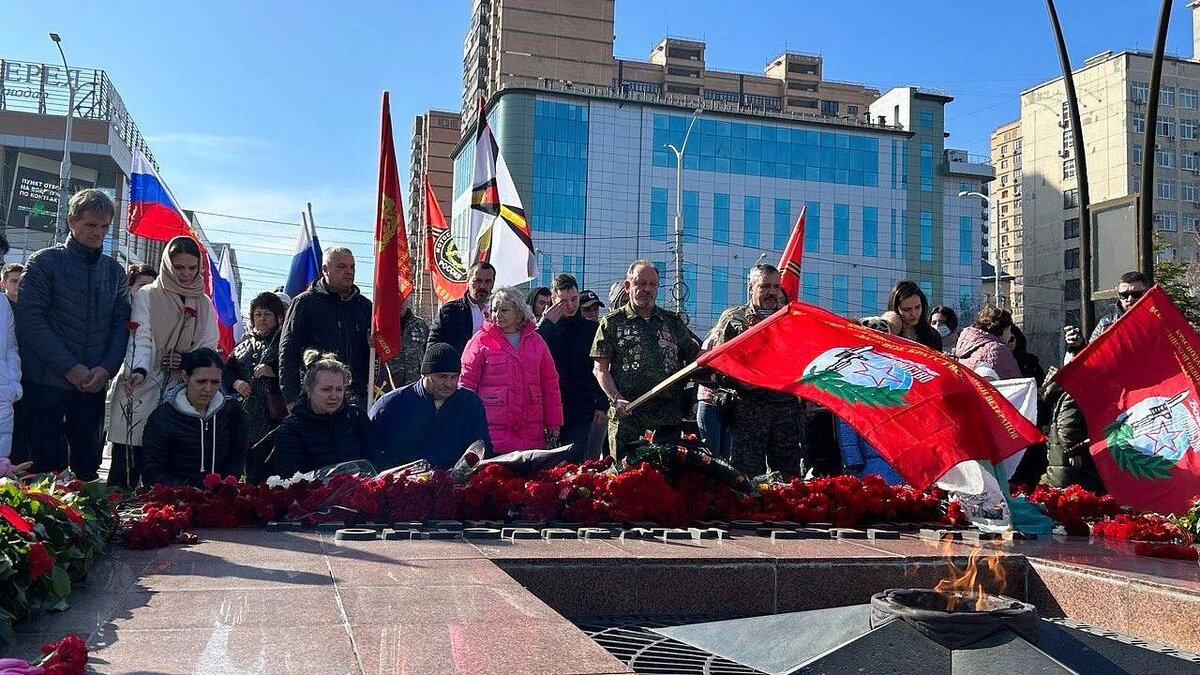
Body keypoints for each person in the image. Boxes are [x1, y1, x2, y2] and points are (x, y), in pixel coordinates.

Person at [17, 189, 130, 479]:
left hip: (93, 385)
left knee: (88, 468)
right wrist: (70, 367)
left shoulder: (115, 272)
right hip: (46, 383)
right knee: (45, 469)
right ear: (71, 221)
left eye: (104, 226)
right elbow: (31, 322)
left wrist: (106, 370)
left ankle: (90, 525)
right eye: (91, 225)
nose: (99, 233)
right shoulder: (43, 263)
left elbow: (121, 325)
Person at [106, 236, 219, 489]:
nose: (186, 274)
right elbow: (140, 338)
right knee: (127, 462)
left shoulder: (204, 302)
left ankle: (163, 518)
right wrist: (139, 370)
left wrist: (186, 361)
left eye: (192, 268)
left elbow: (209, 345)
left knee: (167, 467)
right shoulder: (147, 295)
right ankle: (117, 516)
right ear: (167, 264)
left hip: (182, 388)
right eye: (179, 267)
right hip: (143, 384)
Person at [592, 261, 700, 457]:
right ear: (628, 286)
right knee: (627, 480)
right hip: (629, 416)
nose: (647, 290)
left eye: (652, 285)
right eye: (640, 284)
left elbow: (696, 358)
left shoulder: (672, 322)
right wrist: (616, 398)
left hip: (666, 419)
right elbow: (600, 369)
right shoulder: (612, 323)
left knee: (665, 481)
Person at [709, 264, 801, 477]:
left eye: (776, 287)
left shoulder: (790, 319)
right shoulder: (735, 319)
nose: (771, 292)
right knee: (748, 477)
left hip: (785, 409)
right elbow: (718, 365)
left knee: (788, 477)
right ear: (751, 287)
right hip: (749, 410)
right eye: (765, 286)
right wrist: (739, 381)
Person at [460, 286, 563, 453]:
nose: (497, 314)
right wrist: (463, 423)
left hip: (531, 434)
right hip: (491, 433)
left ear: (518, 312)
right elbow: (466, 384)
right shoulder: (480, 341)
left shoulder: (537, 342)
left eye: (504, 310)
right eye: (494, 310)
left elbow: (550, 385)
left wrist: (554, 424)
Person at [370, 343, 492, 469]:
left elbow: (482, 448)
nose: (449, 384)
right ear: (424, 374)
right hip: (402, 483)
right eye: (442, 377)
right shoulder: (389, 405)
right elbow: (372, 454)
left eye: (454, 377)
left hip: (455, 483)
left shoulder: (470, 403)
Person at [279, 246, 372, 406]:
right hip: (316, 398)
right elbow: (288, 352)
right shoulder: (305, 303)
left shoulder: (365, 306)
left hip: (357, 398)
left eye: (352, 267)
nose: (349, 271)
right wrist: (291, 399)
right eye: (342, 266)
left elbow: (374, 354)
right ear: (325, 269)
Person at [140, 349, 246, 486]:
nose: (208, 389)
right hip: (175, 499)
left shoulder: (232, 411)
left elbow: (237, 457)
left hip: (221, 497)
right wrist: (188, 492)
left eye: (215, 382)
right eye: (201, 381)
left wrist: (223, 487)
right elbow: (152, 470)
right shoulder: (163, 417)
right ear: (185, 376)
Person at [537, 274, 606, 462]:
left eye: (574, 299)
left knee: (575, 461)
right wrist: (546, 324)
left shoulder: (592, 329)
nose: (570, 305)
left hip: (581, 407)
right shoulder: (546, 328)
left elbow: (601, 367)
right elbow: (530, 351)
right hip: (550, 406)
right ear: (553, 298)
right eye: (564, 301)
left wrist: (601, 403)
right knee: (549, 462)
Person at [273, 350, 371, 477]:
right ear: (309, 389)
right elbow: (289, 477)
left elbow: (375, 458)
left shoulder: (356, 416)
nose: (334, 396)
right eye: (326, 389)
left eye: (339, 389)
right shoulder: (291, 428)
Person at [224, 291, 287, 482]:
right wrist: (236, 382)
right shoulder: (244, 343)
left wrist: (273, 372)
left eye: (267, 314)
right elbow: (227, 371)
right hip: (248, 418)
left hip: (276, 419)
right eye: (258, 314)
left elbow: (300, 374)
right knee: (250, 473)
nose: (262, 319)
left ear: (278, 317)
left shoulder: (285, 342)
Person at [838, 317, 903, 485]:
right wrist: (853, 458)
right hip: (868, 460)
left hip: (901, 457)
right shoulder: (852, 374)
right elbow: (847, 420)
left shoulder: (900, 371)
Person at [1039, 369, 1104, 493]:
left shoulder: (1066, 391)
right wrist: (1073, 450)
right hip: (1071, 460)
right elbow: (1067, 423)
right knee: (1077, 499)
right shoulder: (1075, 392)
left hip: (1062, 458)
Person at [1065, 270, 1149, 356]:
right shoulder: (1106, 324)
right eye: (1124, 295)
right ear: (1118, 294)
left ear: (1147, 293)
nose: (1130, 299)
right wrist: (1077, 346)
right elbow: (1092, 357)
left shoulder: (1158, 320)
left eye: (1136, 294)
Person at [429, 261, 495, 354]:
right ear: (468, 281)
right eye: (477, 280)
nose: (482, 286)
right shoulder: (449, 311)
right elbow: (433, 346)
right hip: (458, 366)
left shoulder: (503, 311)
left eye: (488, 281)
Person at [953, 306, 1022, 381]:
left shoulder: (966, 346)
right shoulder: (997, 349)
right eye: (1009, 329)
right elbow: (1015, 384)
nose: (1010, 334)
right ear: (1004, 329)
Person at [380, 299, 430, 389]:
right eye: (396, 300)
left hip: (415, 383)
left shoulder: (420, 325)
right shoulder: (381, 325)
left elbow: (428, 352)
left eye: (403, 300)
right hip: (388, 384)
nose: (400, 304)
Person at [886, 280, 942, 351]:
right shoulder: (885, 333)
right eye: (907, 309)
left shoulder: (933, 336)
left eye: (918, 307)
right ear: (895, 309)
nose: (914, 314)